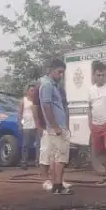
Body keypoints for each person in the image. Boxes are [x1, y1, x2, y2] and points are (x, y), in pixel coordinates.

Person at [38, 58, 72, 194]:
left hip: (57, 126)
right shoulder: (47, 86)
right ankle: (58, 186)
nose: (61, 75)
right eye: (59, 72)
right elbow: (46, 107)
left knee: (57, 157)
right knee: (60, 157)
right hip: (56, 127)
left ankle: (57, 186)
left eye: (63, 72)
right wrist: (55, 126)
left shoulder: (53, 85)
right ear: (51, 71)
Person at [18, 83, 39, 169]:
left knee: (38, 145)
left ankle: (37, 162)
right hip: (26, 125)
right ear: (27, 91)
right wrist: (20, 124)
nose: (33, 92)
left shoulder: (36, 101)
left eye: (34, 91)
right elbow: (19, 113)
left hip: (36, 126)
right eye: (31, 90)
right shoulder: (23, 100)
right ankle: (24, 162)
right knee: (26, 145)